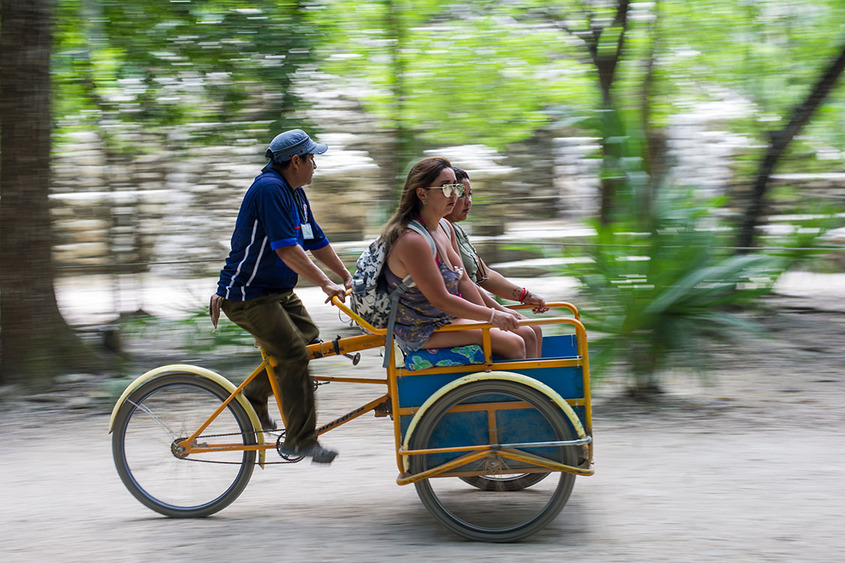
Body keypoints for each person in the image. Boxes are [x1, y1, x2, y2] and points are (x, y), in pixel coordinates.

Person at [209, 129, 350, 464]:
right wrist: (325, 284)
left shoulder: (295, 193)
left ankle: (254, 399)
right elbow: (287, 249)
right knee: (293, 355)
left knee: (308, 340)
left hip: (276, 292)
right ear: (296, 161)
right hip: (248, 295)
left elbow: (314, 240)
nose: (316, 165)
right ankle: (302, 440)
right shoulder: (271, 188)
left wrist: (345, 276)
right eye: (312, 159)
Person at [381, 156, 532, 360]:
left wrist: (494, 313)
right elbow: (441, 300)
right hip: (422, 329)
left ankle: (534, 391)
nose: (454, 194)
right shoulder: (412, 240)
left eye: (456, 188)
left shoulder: (445, 226)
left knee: (527, 332)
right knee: (513, 342)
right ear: (422, 193)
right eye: (445, 188)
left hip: (447, 318)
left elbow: (463, 281)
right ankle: (516, 392)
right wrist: (493, 317)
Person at [444, 167, 548, 357]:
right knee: (525, 333)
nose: (468, 201)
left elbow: (484, 276)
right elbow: (464, 283)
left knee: (534, 329)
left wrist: (524, 295)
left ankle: (532, 384)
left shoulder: (455, 231)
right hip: (462, 311)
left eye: (470, 194)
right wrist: (496, 312)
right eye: (460, 195)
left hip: (476, 306)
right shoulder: (438, 233)